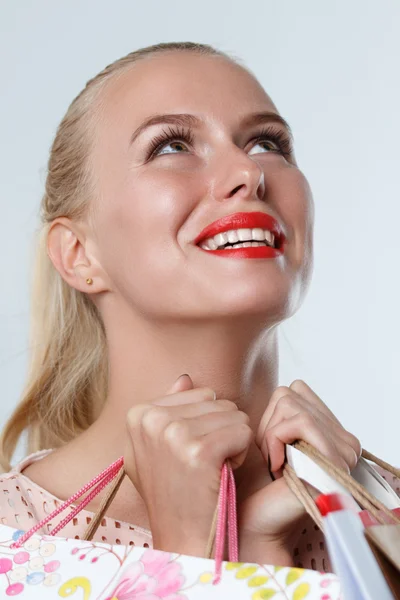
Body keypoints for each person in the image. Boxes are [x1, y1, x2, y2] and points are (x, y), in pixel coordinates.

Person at [0, 41, 397, 572]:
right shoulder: (11, 530)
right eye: (170, 147)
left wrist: (260, 552)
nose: (248, 173)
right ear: (78, 254)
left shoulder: (385, 516)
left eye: (267, 143)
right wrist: (190, 551)